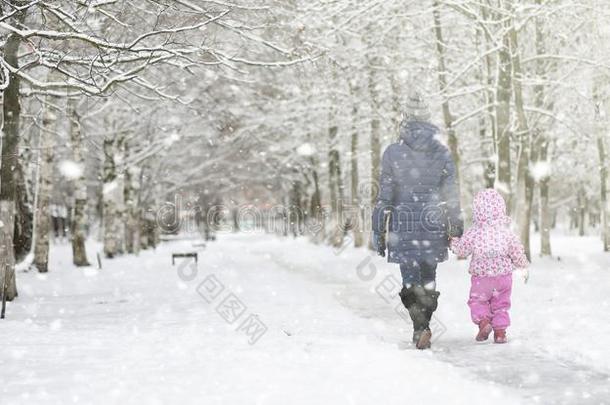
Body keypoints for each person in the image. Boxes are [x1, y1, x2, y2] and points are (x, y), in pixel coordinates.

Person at [372, 90, 463, 349]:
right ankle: (424, 323)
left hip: (404, 227)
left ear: (404, 120)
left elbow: (385, 196)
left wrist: (378, 230)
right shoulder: (442, 152)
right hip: (433, 225)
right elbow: (451, 194)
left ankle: (419, 327)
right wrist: (455, 226)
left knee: (410, 281)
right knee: (428, 279)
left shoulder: (392, 153)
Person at [449, 189, 529, 344]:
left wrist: (453, 242)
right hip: (503, 277)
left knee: (478, 301)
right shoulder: (507, 233)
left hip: (482, 278)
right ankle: (500, 332)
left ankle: (484, 322)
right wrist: (523, 265)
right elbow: (517, 252)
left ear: (477, 210)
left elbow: (462, 250)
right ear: (501, 209)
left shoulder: (475, 232)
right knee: (501, 305)